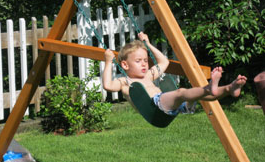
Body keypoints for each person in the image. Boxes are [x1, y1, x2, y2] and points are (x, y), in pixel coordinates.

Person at [103, 32, 247, 116]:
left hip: (172, 107)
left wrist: (147, 44)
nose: (144, 64)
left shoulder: (148, 75)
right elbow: (108, 85)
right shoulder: (124, 82)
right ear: (125, 65)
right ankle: (209, 87)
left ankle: (229, 88)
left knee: (199, 95)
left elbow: (164, 62)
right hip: (155, 108)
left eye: (145, 60)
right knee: (182, 92)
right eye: (138, 61)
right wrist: (109, 62)